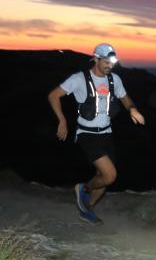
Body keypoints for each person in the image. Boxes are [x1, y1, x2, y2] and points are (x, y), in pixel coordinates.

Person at [48, 43, 145, 224]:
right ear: (96, 59)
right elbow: (53, 95)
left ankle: (86, 209)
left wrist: (132, 109)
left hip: (106, 133)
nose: (110, 65)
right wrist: (62, 120)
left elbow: (124, 97)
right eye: (107, 61)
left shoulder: (114, 79)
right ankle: (84, 189)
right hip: (87, 134)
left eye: (113, 62)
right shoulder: (79, 79)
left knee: (104, 179)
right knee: (110, 175)